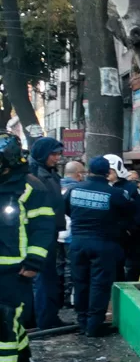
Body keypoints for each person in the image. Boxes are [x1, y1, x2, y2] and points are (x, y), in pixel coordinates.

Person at [0, 133, 55, 362]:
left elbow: (43, 228)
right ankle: (19, 355)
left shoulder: (30, 187)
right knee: (10, 319)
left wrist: (34, 262)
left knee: (6, 316)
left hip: (15, 268)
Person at [65, 157, 132, 338]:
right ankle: (94, 325)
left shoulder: (74, 190)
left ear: (89, 171)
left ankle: (82, 322)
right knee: (99, 285)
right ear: (107, 172)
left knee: (80, 282)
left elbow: (66, 209)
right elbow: (129, 214)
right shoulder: (115, 194)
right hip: (104, 244)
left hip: (78, 242)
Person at [28, 137, 67, 330]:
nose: (57, 158)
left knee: (47, 277)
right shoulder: (35, 174)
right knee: (44, 277)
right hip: (41, 234)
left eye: (59, 153)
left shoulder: (48, 173)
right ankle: (45, 320)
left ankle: (45, 318)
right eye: (54, 154)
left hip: (49, 232)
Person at [104, 154, 140, 281]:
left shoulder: (130, 187)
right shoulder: (103, 186)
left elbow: (139, 210)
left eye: (110, 170)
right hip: (110, 238)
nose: (107, 173)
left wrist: (129, 229)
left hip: (130, 237)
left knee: (129, 271)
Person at [59, 160, 86, 309]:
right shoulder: (77, 189)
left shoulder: (54, 185)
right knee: (71, 267)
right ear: (78, 174)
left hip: (55, 233)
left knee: (58, 266)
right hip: (71, 233)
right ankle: (68, 298)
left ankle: (57, 296)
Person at [120, 170, 140, 281]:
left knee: (135, 266)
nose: (134, 182)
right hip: (128, 233)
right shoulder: (123, 193)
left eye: (136, 179)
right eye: (131, 179)